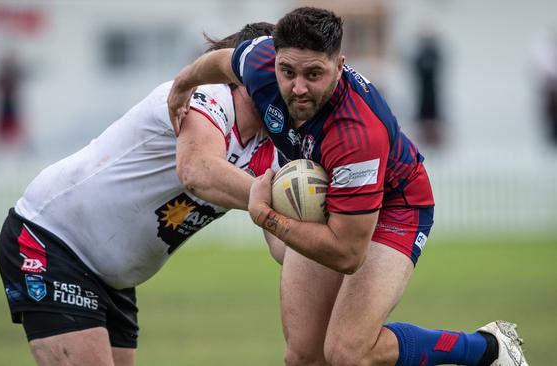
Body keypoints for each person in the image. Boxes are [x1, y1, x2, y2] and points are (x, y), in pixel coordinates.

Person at [168, 7, 528, 366]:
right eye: (287, 71)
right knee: (303, 356)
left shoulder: (357, 134)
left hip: (396, 205)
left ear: (339, 66)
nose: (298, 87)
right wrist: (183, 85)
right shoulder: (262, 60)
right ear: (273, 59)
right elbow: (222, 61)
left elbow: (347, 254)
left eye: (314, 74)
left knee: (347, 352)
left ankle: (487, 349)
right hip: (333, 197)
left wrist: (268, 216)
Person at [0, 22, 281, 366]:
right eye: (280, 71)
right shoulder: (207, 96)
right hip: (53, 240)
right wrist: (275, 196)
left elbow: (280, 241)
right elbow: (197, 172)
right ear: (242, 71)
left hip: (113, 277)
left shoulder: (271, 142)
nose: (293, 87)